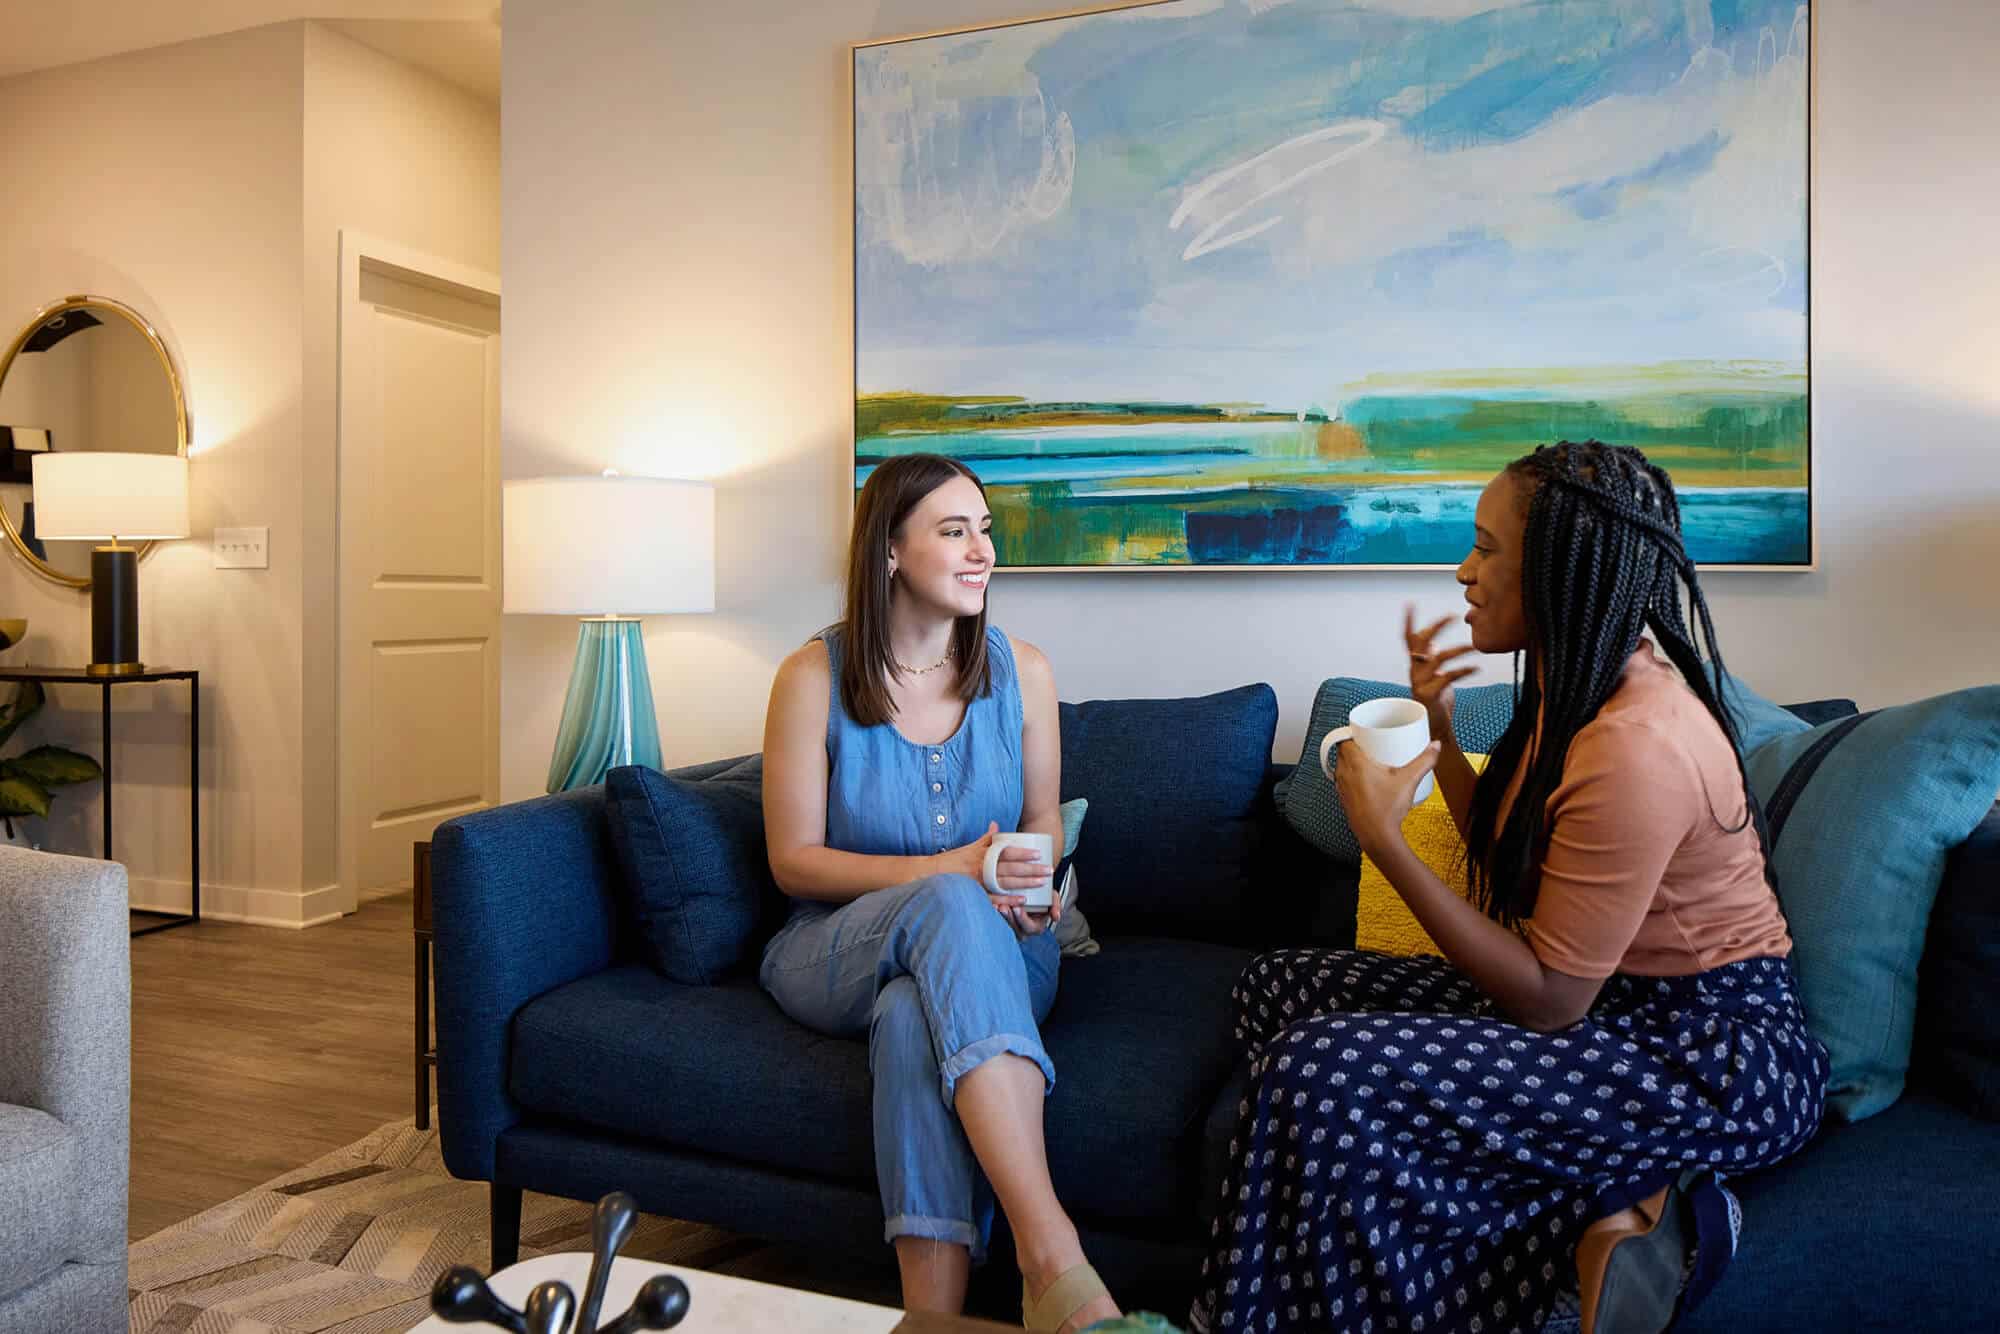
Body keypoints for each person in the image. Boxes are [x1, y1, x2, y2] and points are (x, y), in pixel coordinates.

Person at [1192, 441, 1829, 1334]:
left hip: (1703, 1051)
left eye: (1488, 548)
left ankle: (1649, 1211)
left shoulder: (1634, 745)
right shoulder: (1574, 695)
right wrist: (1445, 732)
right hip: (1611, 1006)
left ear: (1565, 568)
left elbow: (1547, 1002)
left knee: (1322, 1068)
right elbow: (1506, 862)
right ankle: (1597, 1200)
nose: (1463, 571)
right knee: (1279, 987)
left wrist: (1385, 837)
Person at [759, 453, 1119, 1333]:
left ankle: (934, 1320)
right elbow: (793, 862)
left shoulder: (1023, 670)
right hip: (832, 944)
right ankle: (1053, 1258)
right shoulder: (811, 678)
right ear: (889, 549)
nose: (982, 551)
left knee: (911, 1020)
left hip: (1005, 949)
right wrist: (948, 875)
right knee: (948, 907)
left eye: (984, 529)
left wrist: (1035, 883)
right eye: (954, 531)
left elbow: (1041, 824)